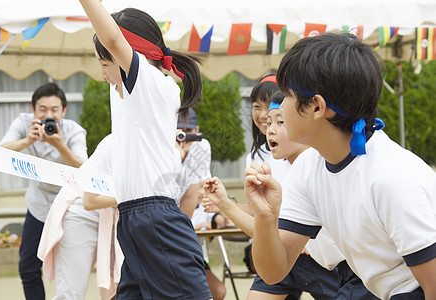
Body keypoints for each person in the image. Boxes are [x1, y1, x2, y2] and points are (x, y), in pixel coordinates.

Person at [245, 33, 436, 299]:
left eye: (286, 96)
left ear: (317, 107)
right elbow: (274, 271)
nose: (270, 115)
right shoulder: (310, 166)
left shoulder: (389, 177)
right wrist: (265, 218)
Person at [78, 1, 212, 298]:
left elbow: (113, 38)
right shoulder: (126, 93)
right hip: (134, 220)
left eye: (104, 64)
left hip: (155, 218)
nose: (103, 75)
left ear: (124, 55)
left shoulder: (150, 84)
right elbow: (112, 41)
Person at [205, 92, 379, 299]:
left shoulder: (325, 164)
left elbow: (274, 231)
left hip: (343, 267)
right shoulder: (277, 164)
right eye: (268, 122)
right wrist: (225, 204)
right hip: (296, 258)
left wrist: (227, 206)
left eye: (281, 121)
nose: (269, 129)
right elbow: (270, 227)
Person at [0, 82, 87, 299]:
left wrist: (60, 146)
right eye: (43, 109)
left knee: (69, 269)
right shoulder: (23, 123)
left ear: (63, 111)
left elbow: (85, 168)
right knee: (27, 266)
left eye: (54, 110)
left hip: (69, 208)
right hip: (38, 207)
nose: (48, 115)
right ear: (33, 110)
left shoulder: (73, 130)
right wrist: (27, 141)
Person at [38, 134, 122, 300]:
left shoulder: (172, 151)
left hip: (117, 216)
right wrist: (135, 196)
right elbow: (89, 201)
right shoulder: (113, 143)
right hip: (82, 212)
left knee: (120, 289)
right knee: (70, 294)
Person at [174, 107, 228, 300]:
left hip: (182, 228)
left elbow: (195, 195)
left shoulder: (201, 146)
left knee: (218, 291)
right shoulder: (160, 146)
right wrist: (176, 158)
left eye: (189, 132)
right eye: (179, 131)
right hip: (161, 226)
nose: (183, 136)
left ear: (197, 130)